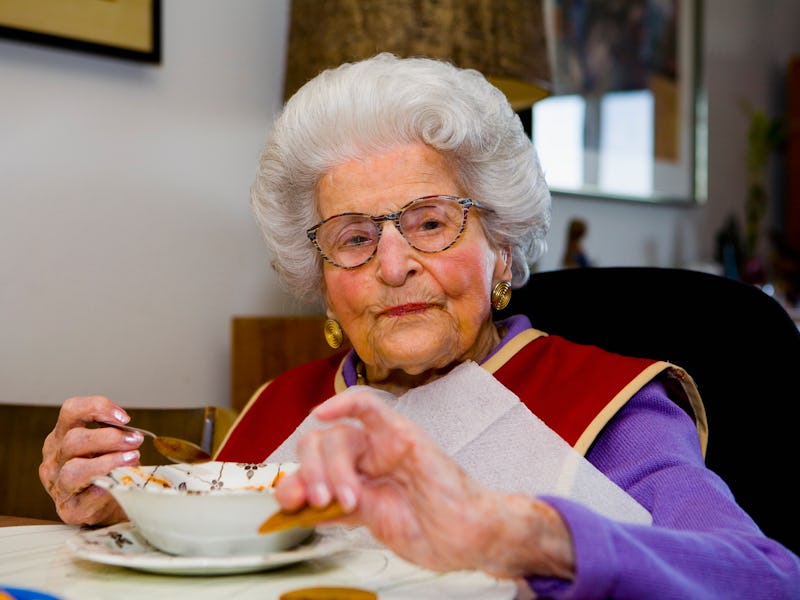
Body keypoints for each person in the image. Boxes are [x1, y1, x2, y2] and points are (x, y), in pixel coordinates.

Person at [40, 53, 800, 598]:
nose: (393, 264)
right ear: (324, 282)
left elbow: (766, 578)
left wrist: (526, 536)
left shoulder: (613, 404)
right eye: (354, 236)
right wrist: (122, 503)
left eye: (431, 221)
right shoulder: (284, 405)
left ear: (499, 248)